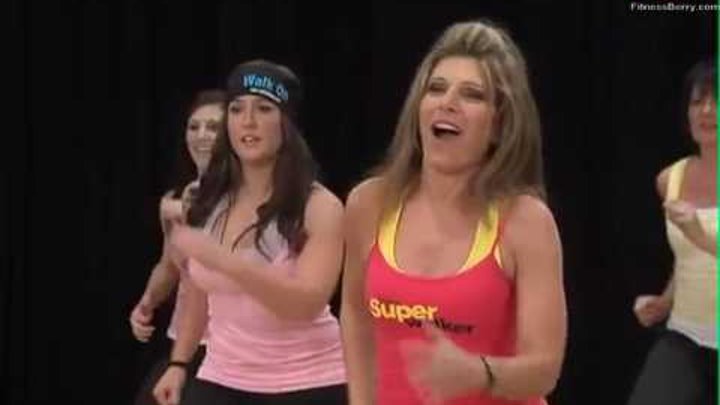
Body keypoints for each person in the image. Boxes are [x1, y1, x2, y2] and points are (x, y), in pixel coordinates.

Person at [341, 20, 567, 405]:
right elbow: (355, 316)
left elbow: (544, 369)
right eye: (436, 89)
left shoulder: (526, 221)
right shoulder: (369, 203)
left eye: (472, 95)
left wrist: (478, 373)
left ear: (499, 125)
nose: (447, 103)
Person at [152, 60, 347, 405]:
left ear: (286, 123)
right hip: (222, 374)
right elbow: (199, 296)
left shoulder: (319, 206)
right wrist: (179, 363)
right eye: (237, 109)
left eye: (264, 109)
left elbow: (305, 304)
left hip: (307, 381)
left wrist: (229, 263)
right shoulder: (206, 199)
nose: (248, 121)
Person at [628, 59, 717, 405]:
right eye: (697, 102)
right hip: (686, 336)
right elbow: (687, 259)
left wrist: (699, 234)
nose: (706, 111)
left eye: (717, 101)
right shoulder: (671, 179)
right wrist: (664, 302)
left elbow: (700, 242)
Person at [129, 89, 225, 405]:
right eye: (194, 126)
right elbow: (169, 266)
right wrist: (146, 303)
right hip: (185, 344)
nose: (202, 135)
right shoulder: (173, 202)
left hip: (231, 348)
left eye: (213, 127)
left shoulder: (247, 197)